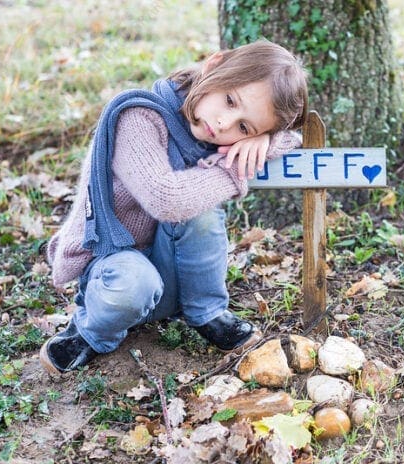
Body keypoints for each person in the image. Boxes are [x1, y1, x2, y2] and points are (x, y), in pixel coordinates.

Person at [40, 40, 308, 374]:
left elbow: (293, 138)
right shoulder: (140, 117)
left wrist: (265, 140)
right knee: (138, 279)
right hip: (116, 271)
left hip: (173, 274)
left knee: (203, 212)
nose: (224, 124)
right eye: (229, 101)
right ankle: (89, 331)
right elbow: (166, 199)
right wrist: (233, 171)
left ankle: (207, 313)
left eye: (243, 127)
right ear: (213, 65)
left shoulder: (220, 132)